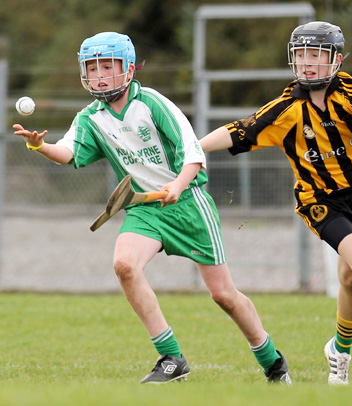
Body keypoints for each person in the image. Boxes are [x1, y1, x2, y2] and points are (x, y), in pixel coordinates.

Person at [13, 32, 291, 385]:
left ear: (128, 68)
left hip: (189, 204)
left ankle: (272, 362)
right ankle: (171, 357)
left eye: (107, 66)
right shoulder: (90, 117)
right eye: (92, 67)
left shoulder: (153, 104)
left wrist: (176, 186)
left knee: (223, 295)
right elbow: (68, 153)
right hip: (144, 208)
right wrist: (41, 147)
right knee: (124, 266)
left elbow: (193, 153)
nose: (99, 74)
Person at [199, 21, 352, 385]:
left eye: (316, 55)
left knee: (351, 279)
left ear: (335, 60)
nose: (307, 63)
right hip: (319, 201)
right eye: (301, 55)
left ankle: (339, 351)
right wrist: (192, 148)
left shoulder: (349, 95)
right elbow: (240, 129)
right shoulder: (287, 108)